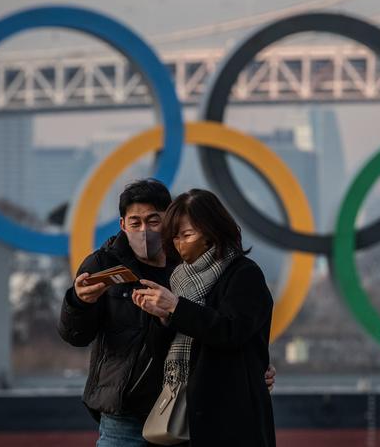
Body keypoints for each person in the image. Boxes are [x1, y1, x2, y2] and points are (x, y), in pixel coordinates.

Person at [57, 179, 276, 447]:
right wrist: (78, 302)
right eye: (135, 223)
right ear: (123, 224)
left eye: (153, 221)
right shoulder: (102, 263)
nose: (144, 231)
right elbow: (75, 335)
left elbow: (229, 327)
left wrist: (253, 365)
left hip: (183, 408)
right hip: (123, 411)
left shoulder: (189, 267)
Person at [132, 189, 276, 447]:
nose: (179, 244)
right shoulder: (177, 279)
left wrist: (176, 308)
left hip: (231, 420)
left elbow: (231, 331)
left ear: (213, 232)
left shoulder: (244, 274)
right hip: (179, 419)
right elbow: (158, 352)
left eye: (187, 235)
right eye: (175, 237)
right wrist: (162, 319)